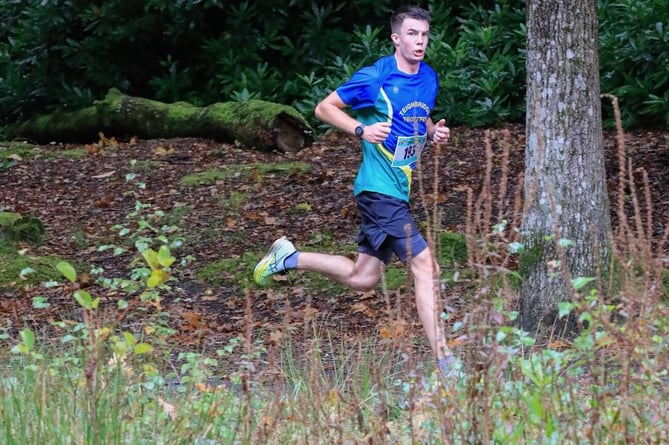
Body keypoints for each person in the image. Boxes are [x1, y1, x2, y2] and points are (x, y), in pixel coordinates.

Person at [254, 5, 457, 375]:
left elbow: (418, 114)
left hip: (397, 190)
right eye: (412, 34)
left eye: (425, 35)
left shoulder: (428, 77)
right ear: (396, 38)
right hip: (377, 190)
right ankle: (446, 364)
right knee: (426, 266)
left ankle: (289, 257)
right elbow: (323, 108)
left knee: (363, 278)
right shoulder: (375, 78)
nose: (420, 41)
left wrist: (433, 132)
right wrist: (360, 130)